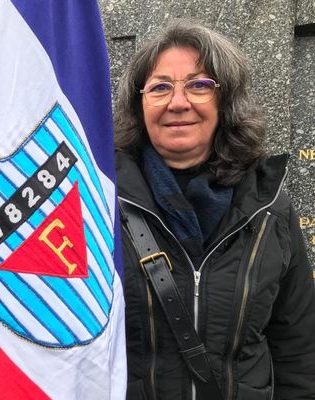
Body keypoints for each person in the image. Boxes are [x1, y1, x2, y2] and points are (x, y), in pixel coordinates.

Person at [115, 20, 315, 400]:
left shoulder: (270, 208)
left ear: (226, 102)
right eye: (159, 87)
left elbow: (298, 349)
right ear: (139, 106)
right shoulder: (101, 204)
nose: (178, 102)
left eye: (199, 85)